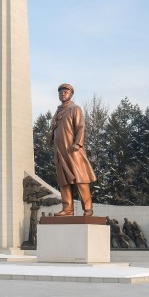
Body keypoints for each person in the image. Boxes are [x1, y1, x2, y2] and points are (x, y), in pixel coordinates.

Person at [49, 83, 97, 216]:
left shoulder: (75, 109)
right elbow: (52, 134)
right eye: (60, 92)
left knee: (81, 179)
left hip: (73, 151)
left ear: (71, 94)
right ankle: (67, 208)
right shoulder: (57, 112)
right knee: (63, 181)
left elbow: (81, 127)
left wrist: (78, 144)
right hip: (60, 151)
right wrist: (52, 128)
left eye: (65, 92)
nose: (62, 94)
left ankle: (88, 208)